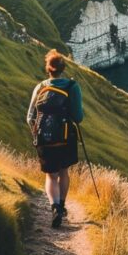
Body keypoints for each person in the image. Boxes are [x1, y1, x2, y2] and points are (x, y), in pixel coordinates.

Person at [26, 49, 84, 228]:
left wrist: (37, 132)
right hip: (65, 138)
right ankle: (62, 205)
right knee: (63, 171)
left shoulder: (40, 87)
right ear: (63, 68)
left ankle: (54, 207)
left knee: (51, 176)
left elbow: (30, 116)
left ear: (48, 69)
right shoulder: (71, 87)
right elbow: (78, 116)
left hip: (44, 138)